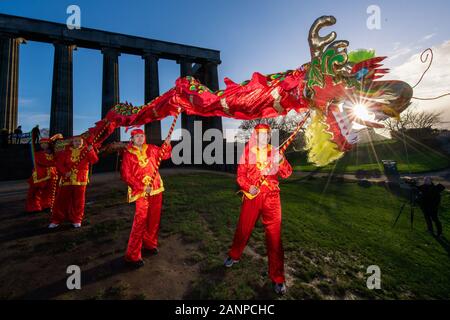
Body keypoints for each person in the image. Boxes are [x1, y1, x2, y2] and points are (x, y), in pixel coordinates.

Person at [224, 124, 293, 295]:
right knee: (243, 229)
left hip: (272, 198)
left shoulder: (276, 152)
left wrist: (281, 161)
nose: (264, 138)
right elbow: (240, 175)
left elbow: (287, 173)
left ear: (269, 136)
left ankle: (278, 278)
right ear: (255, 136)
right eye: (260, 135)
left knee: (275, 237)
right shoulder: (248, 152)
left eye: (266, 135)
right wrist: (248, 187)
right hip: (252, 197)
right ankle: (234, 255)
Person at [120, 129, 172, 268]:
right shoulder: (128, 154)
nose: (140, 138)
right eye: (137, 136)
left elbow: (165, 155)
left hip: (156, 188)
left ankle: (150, 244)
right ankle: (133, 255)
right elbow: (126, 175)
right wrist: (142, 187)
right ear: (132, 139)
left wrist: (167, 144)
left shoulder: (152, 148)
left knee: (154, 219)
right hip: (141, 192)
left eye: (142, 136)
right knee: (140, 222)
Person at [49, 136, 99, 229]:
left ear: (83, 142)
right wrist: (64, 172)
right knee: (61, 200)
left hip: (80, 180)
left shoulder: (86, 151)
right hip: (66, 180)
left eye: (80, 141)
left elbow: (94, 160)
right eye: (76, 141)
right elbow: (59, 164)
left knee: (79, 201)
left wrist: (91, 150)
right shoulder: (65, 152)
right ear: (72, 142)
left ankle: (77, 219)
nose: (78, 143)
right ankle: (56, 220)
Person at [25, 138, 58, 213]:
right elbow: (45, 162)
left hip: (51, 174)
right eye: (42, 144)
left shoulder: (53, 153)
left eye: (45, 143)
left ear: (49, 144)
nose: (43, 145)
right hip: (40, 175)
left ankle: (47, 204)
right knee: (36, 191)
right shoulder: (38, 154)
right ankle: (34, 206)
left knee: (49, 191)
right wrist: (55, 162)